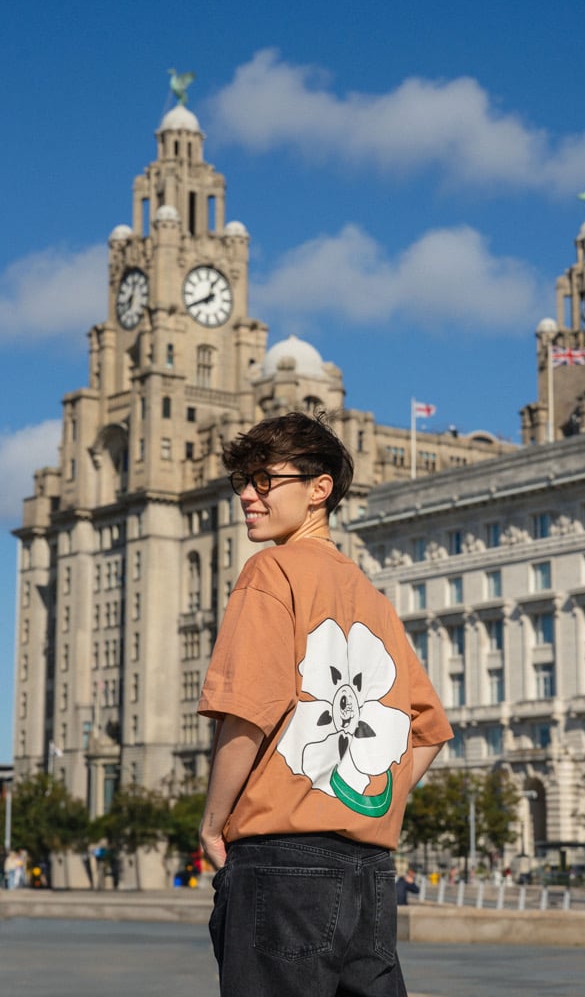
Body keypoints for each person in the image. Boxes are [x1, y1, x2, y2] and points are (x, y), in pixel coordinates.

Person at [198, 412, 453, 997]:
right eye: (242, 480)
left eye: (265, 480)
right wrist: (368, 802)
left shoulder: (272, 571)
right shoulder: (373, 599)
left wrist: (214, 825)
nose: (248, 495)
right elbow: (430, 729)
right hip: (370, 874)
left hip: (282, 865)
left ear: (320, 489)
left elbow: (248, 711)